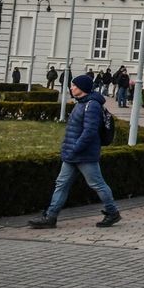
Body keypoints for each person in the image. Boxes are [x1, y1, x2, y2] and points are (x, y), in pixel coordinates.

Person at [28, 74, 121, 229]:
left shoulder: (91, 105)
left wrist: (75, 148)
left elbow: (90, 132)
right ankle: (51, 217)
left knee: (97, 184)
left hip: (84, 155)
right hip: (73, 154)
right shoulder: (81, 103)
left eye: (74, 86)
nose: (71, 88)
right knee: (61, 184)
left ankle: (112, 212)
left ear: (82, 88)